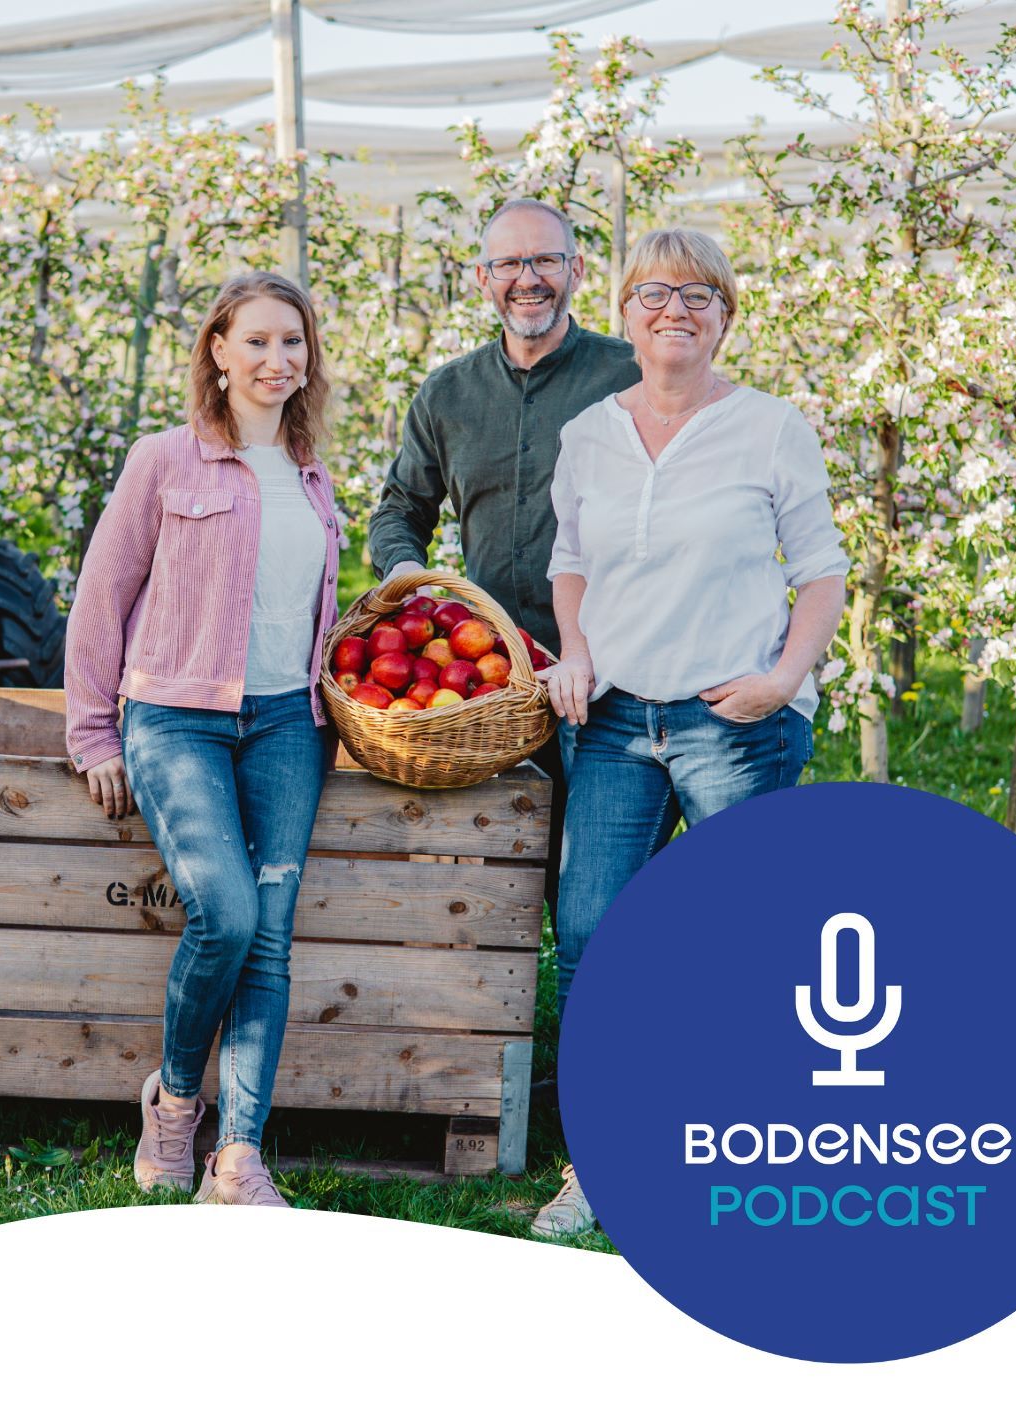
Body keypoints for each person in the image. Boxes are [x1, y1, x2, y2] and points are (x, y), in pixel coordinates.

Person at [533, 228, 849, 1237]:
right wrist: (574, 650)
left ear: (726, 316)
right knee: (591, 938)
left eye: (699, 294)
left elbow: (823, 571)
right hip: (620, 718)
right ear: (623, 313)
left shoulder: (769, 428)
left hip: (733, 721)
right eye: (654, 292)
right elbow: (570, 560)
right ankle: (600, 1162)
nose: (675, 309)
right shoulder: (589, 434)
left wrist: (784, 679)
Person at [63, 271, 342, 1207]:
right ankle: (175, 1103)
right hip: (177, 715)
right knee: (225, 912)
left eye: (293, 343)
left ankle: (240, 1156)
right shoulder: (164, 461)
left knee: (270, 939)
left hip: (285, 729)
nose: (277, 360)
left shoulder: (312, 479)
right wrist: (94, 736)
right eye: (257, 341)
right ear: (218, 353)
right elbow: (101, 599)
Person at [367, 196, 642, 1057]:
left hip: (614, 672)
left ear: (577, 270)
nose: (530, 279)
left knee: (596, 891)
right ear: (483, 280)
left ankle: (602, 1064)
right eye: (510, 265)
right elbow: (398, 510)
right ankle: (491, 1052)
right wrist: (408, 583)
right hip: (489, 682)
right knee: (499, 873)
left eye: (547, 261)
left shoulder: (630, 375)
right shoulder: (449, 393)